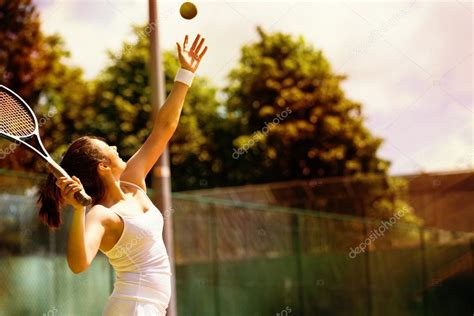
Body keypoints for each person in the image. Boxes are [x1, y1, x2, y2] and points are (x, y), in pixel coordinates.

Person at [37, 34, 208, 316]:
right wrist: (79, 212)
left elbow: (163, 129)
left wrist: (185, 73)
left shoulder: (133, 182)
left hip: (148, 307)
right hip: (133, 308)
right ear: (103, 167)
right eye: (109, 149)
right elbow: (79, 265)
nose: (116, 147)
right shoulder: (101, 215)